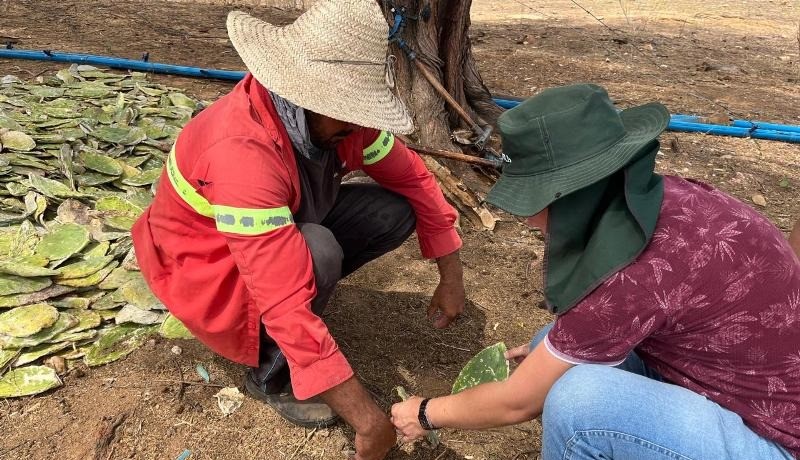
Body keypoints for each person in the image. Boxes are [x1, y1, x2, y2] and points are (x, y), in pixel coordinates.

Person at [391, 84, 800, 459]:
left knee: (579, 403)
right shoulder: (663, 198)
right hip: (746, 391)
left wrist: (425, 413)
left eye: (533, 198)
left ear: (569, 194)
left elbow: (519, 402)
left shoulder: (629, 270)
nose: (529, 218)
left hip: (774, 439)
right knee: (551, 348)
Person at [132, 1, 466, 458]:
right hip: (205, 265)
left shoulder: (343, 125)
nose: (356, 126)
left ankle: (309, 288)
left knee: (392, 210)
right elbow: (282, 298)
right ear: (305, 96)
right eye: (345, 113)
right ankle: (270, 374)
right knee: (317, 251)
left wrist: (452, 277)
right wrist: (367, 421)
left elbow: (415, 180)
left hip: (273, 226)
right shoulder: (242, 153)